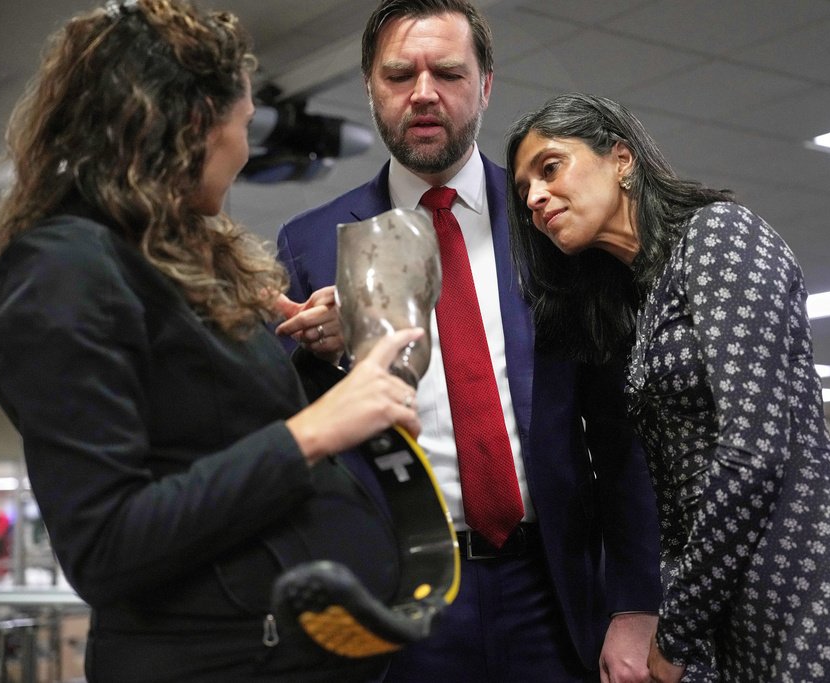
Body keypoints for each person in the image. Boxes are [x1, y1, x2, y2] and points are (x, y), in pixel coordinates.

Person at [0, 1, 424, 681]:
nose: (246, 149)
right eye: (244, 125)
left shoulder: (162, 261)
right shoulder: (62, 270)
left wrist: (310, 358)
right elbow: (106, 543)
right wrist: (313, 431)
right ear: (194, 124)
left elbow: (210, 433)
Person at [275, 1, 662, 681]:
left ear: (484, 86)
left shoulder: (552, 221)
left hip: (554, 588)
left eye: (447, 73)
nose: (423, 92)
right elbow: (285, 439)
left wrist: (635, 604)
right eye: (399, 75)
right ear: (369, 88)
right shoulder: (312, 242)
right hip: (402, 592)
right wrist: (325, 353)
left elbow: (619, 431)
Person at [504, 92, 830, 683]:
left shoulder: (715, 236)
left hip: (818, 574)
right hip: (735, 594)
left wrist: (677, 628)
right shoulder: (642, 293)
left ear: (622, 158)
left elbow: (754, 452)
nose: (534, 197)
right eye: (523, 190)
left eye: (550, 167)